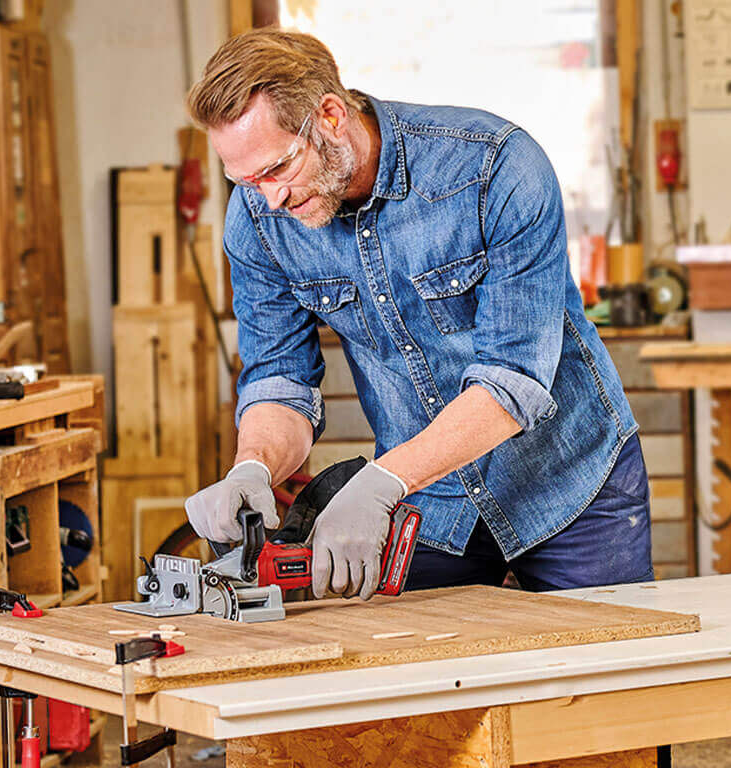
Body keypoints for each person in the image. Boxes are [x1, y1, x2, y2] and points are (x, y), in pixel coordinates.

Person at [184, 29, 653, 601]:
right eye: (245, 180)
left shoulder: (494, 169)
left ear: (330, 115)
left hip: (566, 480)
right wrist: (252, 467)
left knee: (606, 666)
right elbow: (280, 379)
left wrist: (381, 483)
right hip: (429, 502)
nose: (269, 199)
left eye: (278, 168)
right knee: (419, 674)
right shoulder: (258, 220)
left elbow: (515, 380)